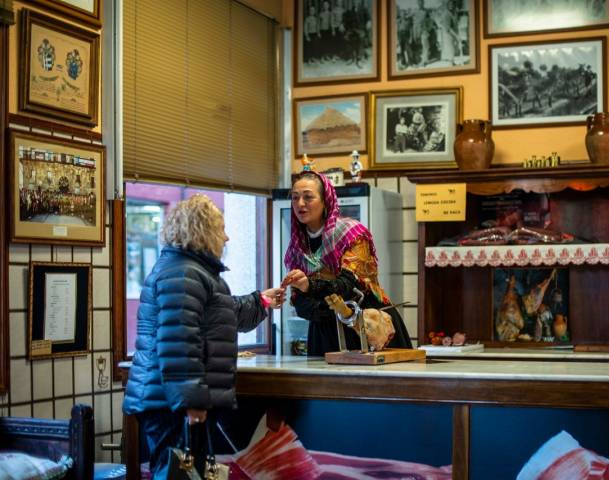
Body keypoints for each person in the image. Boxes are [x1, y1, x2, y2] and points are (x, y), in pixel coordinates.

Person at [122, 194, 285, 478]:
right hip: (173, 405)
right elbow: (179, 344)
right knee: (178, 475)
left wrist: (262, 301)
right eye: (221, 228)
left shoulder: (191, 271)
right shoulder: (184, 273)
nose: (227, 237)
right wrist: (192, 402)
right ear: (203, 230)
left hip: (174, 401)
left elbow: (221, 313)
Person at [282, 171, 412, 356]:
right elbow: (299, 301)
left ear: (325, 200)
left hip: (366, 325)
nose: (300, 204)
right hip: (324, 333)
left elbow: (347, 285)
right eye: (295, 198)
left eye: (308, 197)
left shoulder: (352, 234)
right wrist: (312, 305)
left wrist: (308, 286)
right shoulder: (297, 247)